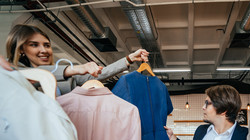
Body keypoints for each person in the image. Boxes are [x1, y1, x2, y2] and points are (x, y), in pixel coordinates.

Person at [6, 24, 149, 93]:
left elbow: (101, 73)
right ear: (21, 50)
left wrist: (129, 59)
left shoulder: (64, 76)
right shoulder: (12, 75)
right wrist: (75, 69)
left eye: (47, 45)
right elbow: (36, 75)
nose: (43, 50)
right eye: (34, 45)